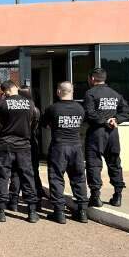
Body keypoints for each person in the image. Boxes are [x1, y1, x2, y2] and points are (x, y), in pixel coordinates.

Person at [83, 67, 129, 207]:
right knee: (114, 162)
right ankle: (118, 195)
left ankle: (95, 196)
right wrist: (115, 119)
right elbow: (127, 112)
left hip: (97, 133)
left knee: (94, 163)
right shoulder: (115, 94)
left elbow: (89, 114)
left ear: (92, 79)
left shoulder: (90, 93)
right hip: (112, 133)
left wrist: (105, 121)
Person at [41, 82, 89, 224]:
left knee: (56, 178)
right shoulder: (80, 109)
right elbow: (82, 124)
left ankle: (59, 212)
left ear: (58, 92)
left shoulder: (52, 108)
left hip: (59, 147)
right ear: (72, 92)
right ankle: (82, 212)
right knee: (79, 178)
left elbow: (44, 124)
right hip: (76, 146)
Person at [0, 80, 39, 223]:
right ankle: (31, 211)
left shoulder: (2, 103)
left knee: (2, 176)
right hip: (24, 145)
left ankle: (0, 211)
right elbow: (33, 122)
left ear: (4, 91)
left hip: (5, 144)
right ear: (16, 88)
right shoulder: (30, 103)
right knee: (27, 176)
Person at [8, 85, 44, 211]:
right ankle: (37, 200)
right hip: (31, 142)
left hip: (20, 142)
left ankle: (13, 200)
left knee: (16, 172)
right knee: (33, 172)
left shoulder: (17, 108)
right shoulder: (35, 109)